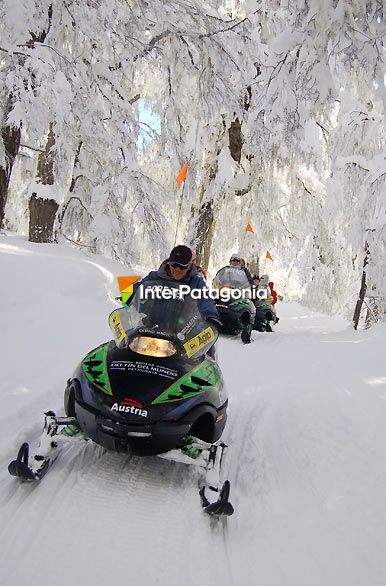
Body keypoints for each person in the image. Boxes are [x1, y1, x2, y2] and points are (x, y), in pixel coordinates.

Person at [134, 244, 221, 327]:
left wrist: (211, 316)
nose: (177, 269)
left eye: (182, 266)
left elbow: (206, 300)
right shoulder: (154, 277)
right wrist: (126, 296)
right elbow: (138, 288)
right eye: (174, 265)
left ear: (190, 265)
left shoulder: (196, 282)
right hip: (149, 327)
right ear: (169, 263)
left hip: (183, 332)